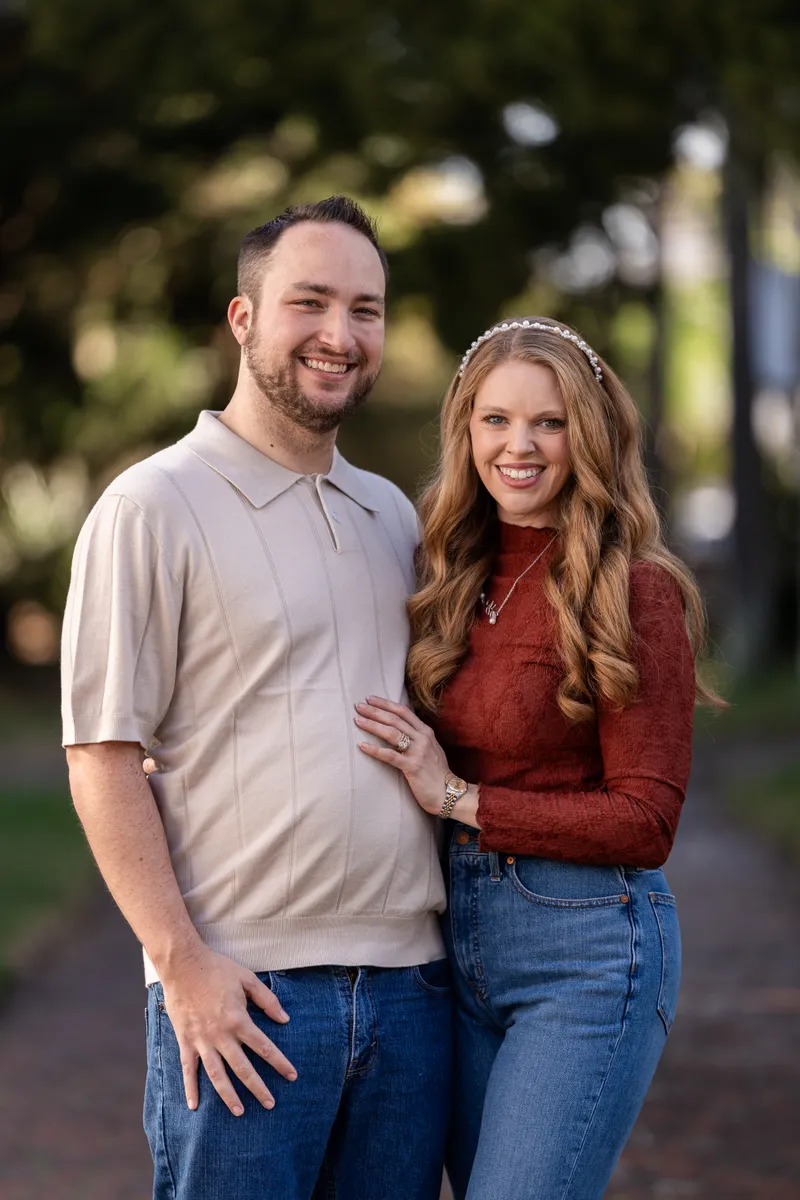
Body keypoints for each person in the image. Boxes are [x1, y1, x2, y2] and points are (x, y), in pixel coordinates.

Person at [61, 196, 452, 1200]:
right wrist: (179, 962)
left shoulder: (389, 514)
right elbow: (101, 753)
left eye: (364, 310)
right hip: (247, 998)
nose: (339, 334)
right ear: (244, 320)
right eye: (309, 302)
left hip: (412, 992)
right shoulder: (153, 505)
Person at [354, 317, 722, 1200]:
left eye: (549, 423)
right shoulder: (447, 571)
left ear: (587, 436)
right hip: (452, 944)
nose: (519, 446)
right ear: (465, 429)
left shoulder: (635, 590)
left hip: (587, 952)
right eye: (496, 420)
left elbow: (647, 820)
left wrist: (459, 798)